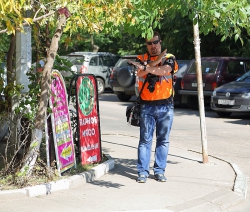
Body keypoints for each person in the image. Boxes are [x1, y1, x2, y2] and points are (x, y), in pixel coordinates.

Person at [128, 31, 178, 183]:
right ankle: (143, 172)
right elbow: (139, 73)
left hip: (166, 106)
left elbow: (165, 70)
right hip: (147, 107)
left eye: (155, 42)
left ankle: (159, 171)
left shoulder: (169, 58)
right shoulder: (141, 58)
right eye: (149, 43)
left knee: (163, 140)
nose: (153, 46)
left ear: (160, 42)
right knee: (145, 140)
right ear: (146, 45)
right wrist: (153, 63)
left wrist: (147, 67)